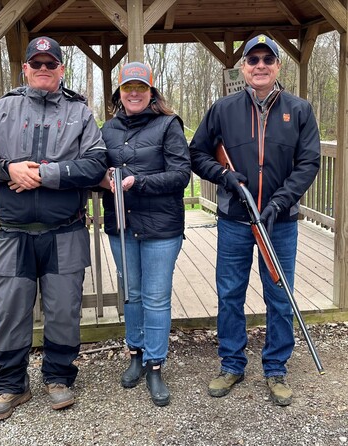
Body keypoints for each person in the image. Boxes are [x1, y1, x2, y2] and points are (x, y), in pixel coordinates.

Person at [0, 36, 107, 420]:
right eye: (36, 64)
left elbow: (96, 164)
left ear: (61, 69)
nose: (44, 69)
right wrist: (8, 169)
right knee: (9, 310)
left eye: (51, 64)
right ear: (24, 68)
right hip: (12, 232)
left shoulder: (80, 113)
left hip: (66, 231)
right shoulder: (0, 109)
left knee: (63, 310)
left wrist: (45, 175)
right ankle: (11, 385)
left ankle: (59, 378)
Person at [189, 34, 320, 406]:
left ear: (278, 66)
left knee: (279, 295)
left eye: (267, 59)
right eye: (253, 59)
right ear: (243, 67)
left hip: (281, 221)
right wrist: (224, 176)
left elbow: (309, 162)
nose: (260, 65)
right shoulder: (223, 109)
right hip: (235, 217)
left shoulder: (300, 110)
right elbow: (197, 153)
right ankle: (231, 364)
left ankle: (275, 368)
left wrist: (280, 201)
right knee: (230, 293)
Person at [99, 62, 191, 406]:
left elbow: (181, 174)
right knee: (132, 294)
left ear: (152, 92)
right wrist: (102, 179)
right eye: (127, 88)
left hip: (162, 227)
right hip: (121, 225)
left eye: (141, 87)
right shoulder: (106, 129)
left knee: (155, 297)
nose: (134, 93)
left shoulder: (169, 125)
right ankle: (135, 353)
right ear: (118, 94)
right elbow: (95, 167)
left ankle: (155, 364)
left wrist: (140, 181)